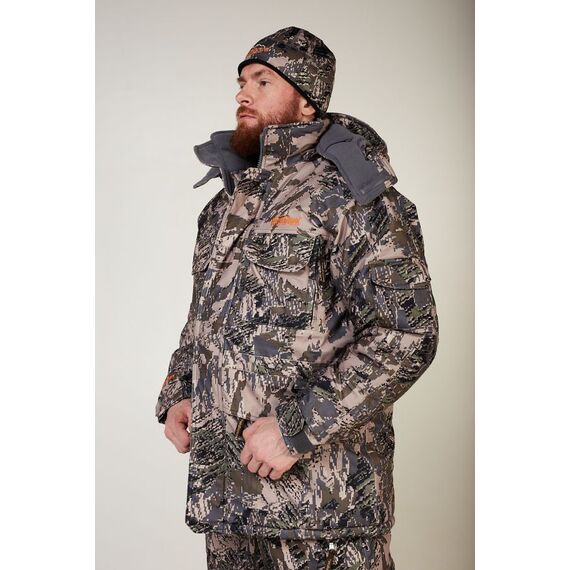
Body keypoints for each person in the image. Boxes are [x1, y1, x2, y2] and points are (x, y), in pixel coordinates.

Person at [155, 26, 439, 570]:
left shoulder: (353, 196)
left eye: (263, 81)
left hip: (323, 508)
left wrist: (295, 430)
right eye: (242, 81)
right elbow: (205, 322)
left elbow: (406, 334)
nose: (243, 92)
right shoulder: (223, 208)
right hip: (229, 503)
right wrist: (179, 392)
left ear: (307, 101)